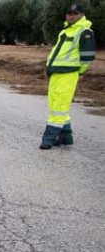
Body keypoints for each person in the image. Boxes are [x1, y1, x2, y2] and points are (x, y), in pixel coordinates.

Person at [40, 4, 96, 150]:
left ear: (81, 15)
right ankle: (66, 137)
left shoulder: (85, 32)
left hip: (68, 74)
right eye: (69, 13)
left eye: (74, 14)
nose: (71, 16)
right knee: (55, 104)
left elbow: (88, 57)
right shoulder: (66, 31)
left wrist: (81, 72)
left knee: (58, 105)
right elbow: (58, 53)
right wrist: (48, 68)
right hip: (56, 73)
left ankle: (48, 139)